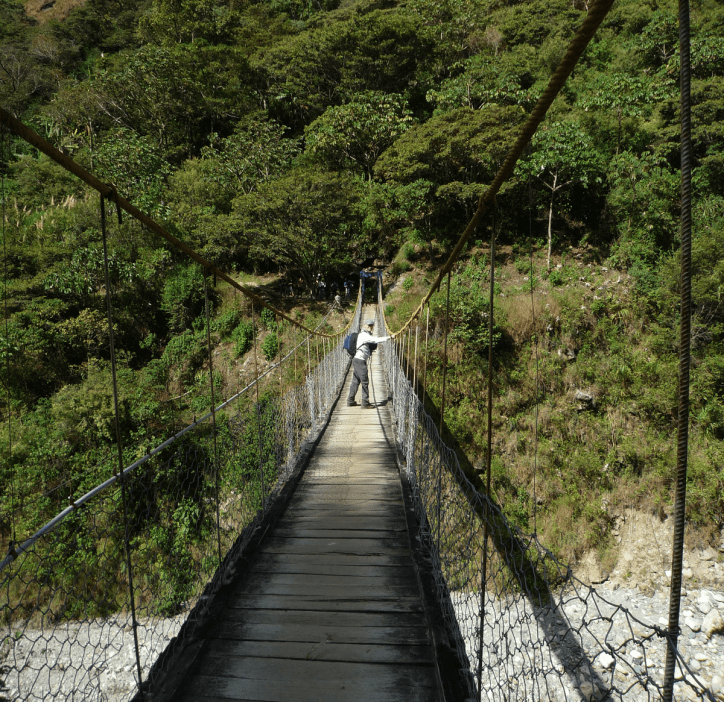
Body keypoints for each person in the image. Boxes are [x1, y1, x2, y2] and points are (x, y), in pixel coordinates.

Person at [347, 319, 392, 408]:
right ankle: (365, 403)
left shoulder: (363, 334)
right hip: (360, 361)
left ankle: (350, 400)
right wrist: (389, 337)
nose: (371, 328)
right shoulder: (364, 335)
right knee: (365, 381)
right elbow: (376, 340)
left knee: (355, 381)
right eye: (370, 326)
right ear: (366, 326)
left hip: (357, 360)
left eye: (372, 326)